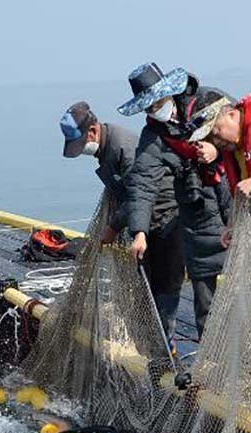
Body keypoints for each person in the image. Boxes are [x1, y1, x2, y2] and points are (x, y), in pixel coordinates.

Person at [118, 63, 230, 338]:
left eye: (157, 102)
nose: (154, 110)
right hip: (195, 215)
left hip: (232, 196)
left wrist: (216, 149)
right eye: (148, 108)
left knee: (249, 288)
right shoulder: (154, 136)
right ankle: (213, 362)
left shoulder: (208, 102)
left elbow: (241, 132)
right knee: (205, 299)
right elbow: (143, 182)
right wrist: (139, 232)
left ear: (170, 93)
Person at [61, 100, 184, 340]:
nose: (81, 149)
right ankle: (150, 340)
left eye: (80, 143)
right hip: (144, 225)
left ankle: (165, 348)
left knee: (165, 288)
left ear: (93, 131)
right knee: (144, 287)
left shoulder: (124, 147)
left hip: (167, 219)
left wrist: (113, 227)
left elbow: (137, 195)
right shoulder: (105, 149)